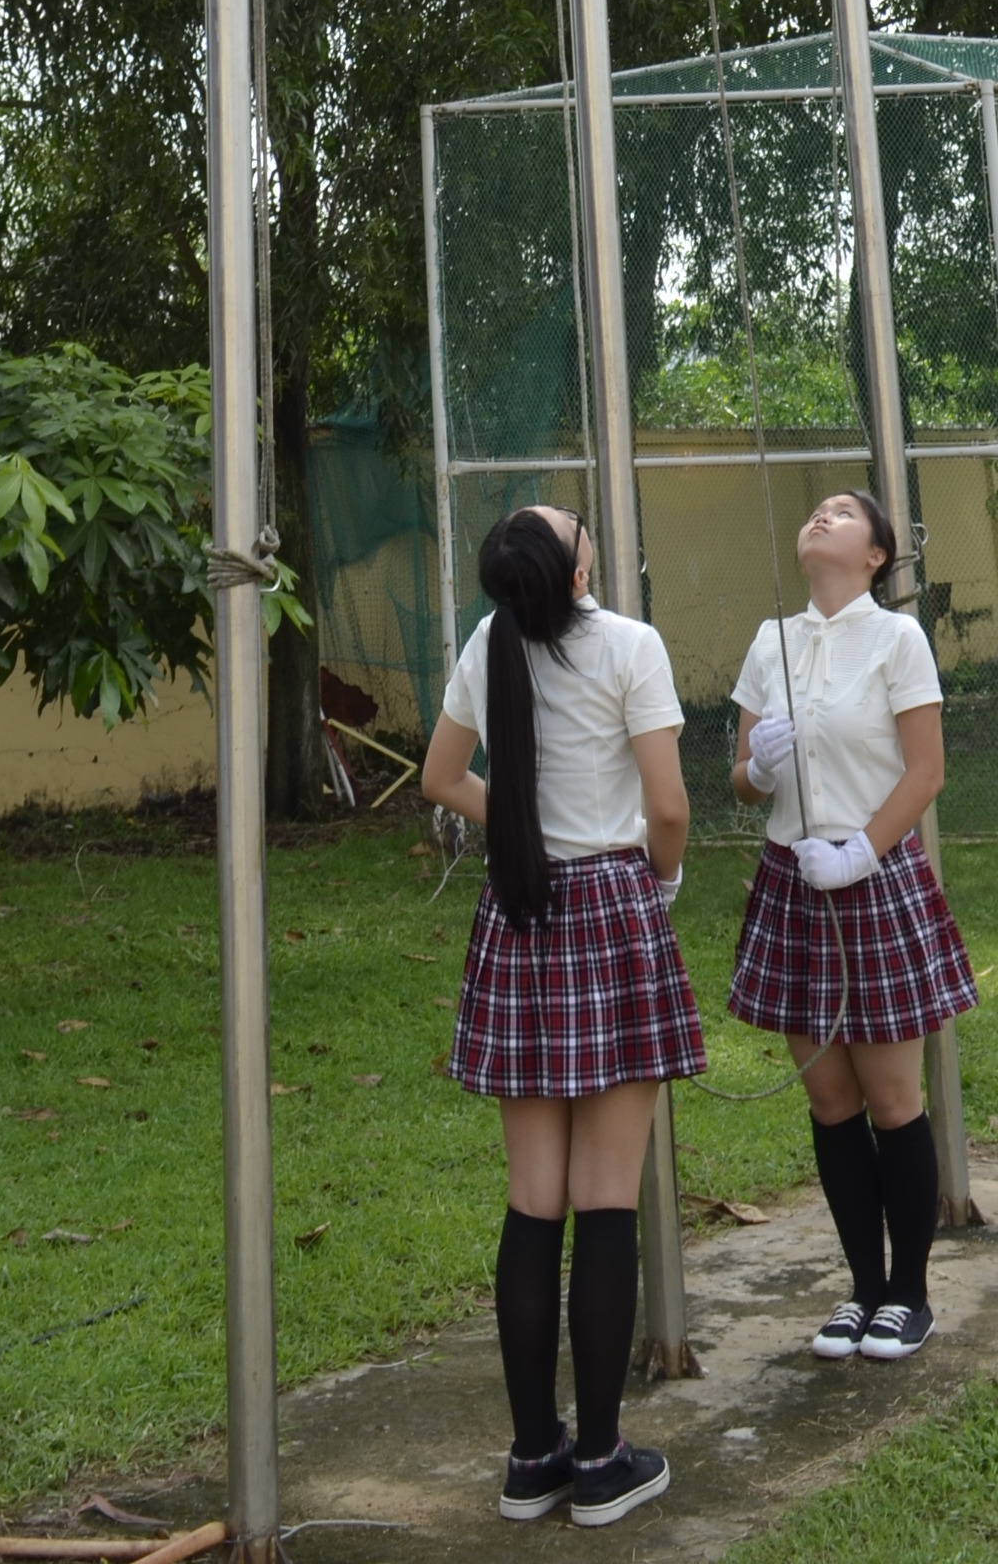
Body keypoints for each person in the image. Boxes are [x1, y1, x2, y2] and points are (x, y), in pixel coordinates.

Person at [420, 503, 704, 1529]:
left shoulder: (488, 642)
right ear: (578, 561)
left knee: (534, 1196)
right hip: (612, 907)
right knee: (606, 1197)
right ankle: (601, 1460)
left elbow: (441, 777)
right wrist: (656, 882)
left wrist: (528, 828)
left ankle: (531, 1458)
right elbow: (668, 809)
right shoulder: (631, 644)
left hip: (521, 911)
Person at [728, 487, 976, 1364]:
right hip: (794, 878)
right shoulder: (774, 642)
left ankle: (908, 1295)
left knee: (891, 1099)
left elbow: (926, 769)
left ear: (876, 554)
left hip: (869, 876)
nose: (821, 514)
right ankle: (862, 1289)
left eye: (843, 511)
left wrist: (864, 850)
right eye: (816, 508)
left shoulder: (897, 638)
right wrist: (759, 766)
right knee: (830, 1100)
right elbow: (743, 781)